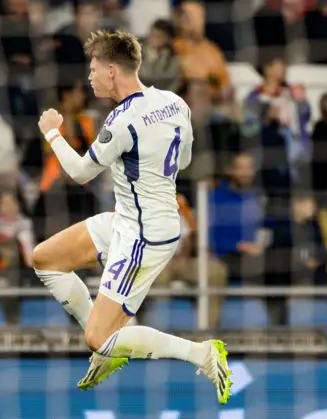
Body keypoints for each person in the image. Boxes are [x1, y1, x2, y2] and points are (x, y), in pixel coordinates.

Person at [33, 30, 231, 404]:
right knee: (45, 259)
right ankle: (108, 348)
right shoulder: (174, 102)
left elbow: (79, 173)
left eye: (93, 68)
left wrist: (53, 134)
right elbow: (184, 159)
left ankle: (202, 354)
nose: (89, 76)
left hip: (144, 236)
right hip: (130, 219)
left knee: (96, 337)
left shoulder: (121, 121)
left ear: (112, 71)